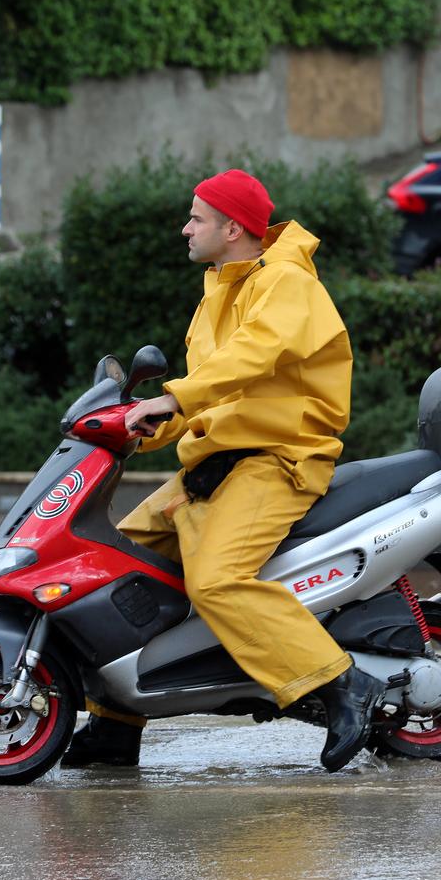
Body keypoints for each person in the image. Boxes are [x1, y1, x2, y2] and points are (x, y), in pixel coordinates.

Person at [62, 168, 385, 773]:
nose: (185, 228)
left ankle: (342, 684)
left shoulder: (286, 283)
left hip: (276, 459)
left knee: (216, 580)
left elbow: (252, 356)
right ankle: (114, 723)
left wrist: (175, 399)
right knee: (115, 562)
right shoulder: (217, 290)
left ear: (233, 227)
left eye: (196, 218)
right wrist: (150, 425)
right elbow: (216, 393)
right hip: (217, 462)